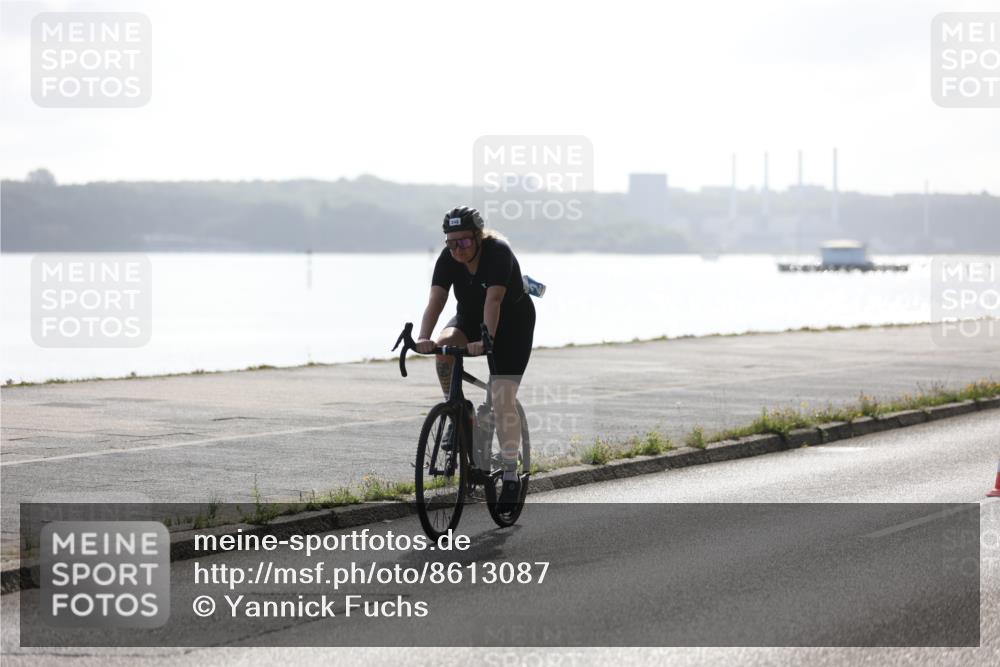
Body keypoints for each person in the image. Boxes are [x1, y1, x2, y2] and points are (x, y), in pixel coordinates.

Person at [415, 206, 536, 511]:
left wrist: (487, 341)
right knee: (444, 350)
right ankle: (457, 410)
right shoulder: (449, 258)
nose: (457, 249)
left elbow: (494, 300)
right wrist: (424, 337)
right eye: (451, 243)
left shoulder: (498, 252)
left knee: (501, 397)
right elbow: (437, 300)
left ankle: (510, 475)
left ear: (479, 237)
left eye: (464, 242)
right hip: (469, 318)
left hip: (512, 326)